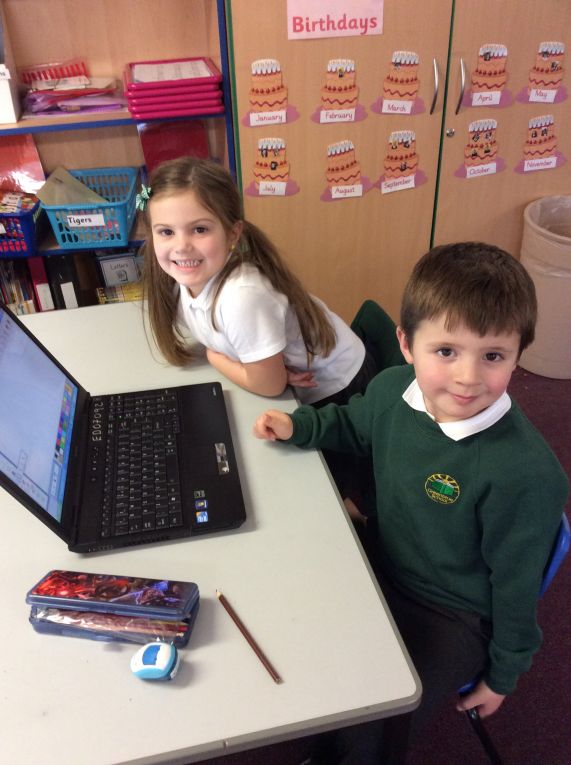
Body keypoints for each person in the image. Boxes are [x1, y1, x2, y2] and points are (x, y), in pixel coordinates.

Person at [253, 242, 569, 764]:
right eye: (446, 351)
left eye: (493, 356)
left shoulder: (526, 474)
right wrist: (299, 425)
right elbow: (352, 424)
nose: (468, 377)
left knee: (377, 720)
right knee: (298, 630)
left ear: (518, 354)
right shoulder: (392, 390)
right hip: (384, 558)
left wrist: (504, 674)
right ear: (406, 343)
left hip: (452, 614)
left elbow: (515, 587)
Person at [138, 156, 378, 408]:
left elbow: (269, 385)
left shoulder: (242, 297)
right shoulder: (181, 281)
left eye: (200, 229)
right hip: (298, 383)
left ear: (232, 233)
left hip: (341, 388)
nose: (181, 246)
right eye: (166, 232)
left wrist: (214, 356)